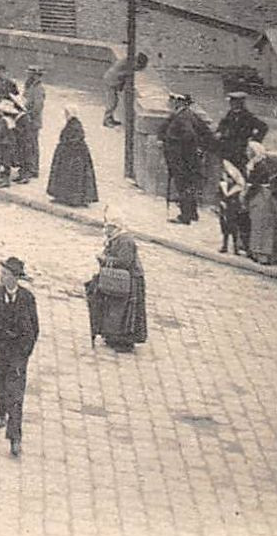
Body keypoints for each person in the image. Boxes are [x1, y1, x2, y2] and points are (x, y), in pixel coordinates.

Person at [0, 257, 39, 458]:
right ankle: (1, 409)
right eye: (1, 273)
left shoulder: (27, 299)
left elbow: (34, 329)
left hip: (18, 354)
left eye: (5, 274)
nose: (1, 277)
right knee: (0, 384)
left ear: (14, 278)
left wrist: (25, 353)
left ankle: (15, 438)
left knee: (16, 396)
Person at [87, 220, 148, 352]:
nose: (105, 230)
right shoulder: (115, 239)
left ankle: (124, 340)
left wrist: (105, 260)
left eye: (107, 227)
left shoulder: (125, 241)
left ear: (115, 227)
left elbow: (124, 261)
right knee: (114, 309)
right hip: (118, 278)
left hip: (130, 281)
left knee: (125, 312)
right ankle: (112, 336)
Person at [158, 93, 213, 225]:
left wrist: (184, 152)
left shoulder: (182, 117)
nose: (171, 103)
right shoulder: (186, 114)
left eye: (173, 101)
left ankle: (185, 216)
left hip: (182, 160)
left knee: (183, 186)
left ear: (180, 103)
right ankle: (192, 213)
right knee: (188, 186)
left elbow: (190, 136)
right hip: (188, 159)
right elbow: (205, 132)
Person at [46, 109, 99, 207]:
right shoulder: (74, 124)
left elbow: (73, 139)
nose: (65, 115)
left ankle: (73, 198)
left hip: (72, 155)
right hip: (73, 153)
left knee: (72, 176)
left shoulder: (74, 126)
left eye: (66, 113)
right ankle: (68, 197)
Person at [214, 91, 268, 170]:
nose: (232, 104)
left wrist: (255, 140)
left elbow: (263, 127)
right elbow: (223, 125)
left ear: (240, 103)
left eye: (234, 102)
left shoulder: (248, 116)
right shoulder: (230, 114)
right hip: (228, 145)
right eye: (231, 102)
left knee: (240, 167)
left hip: (241, 147)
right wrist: (219, 132)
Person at [101, 51, 148, 128]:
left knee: (114, 101)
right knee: (112, 102)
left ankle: (109, 118)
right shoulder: (129, 64)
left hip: (113, 80)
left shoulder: (129, 62)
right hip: (111, 81)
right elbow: (122, 74)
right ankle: (107, 120)